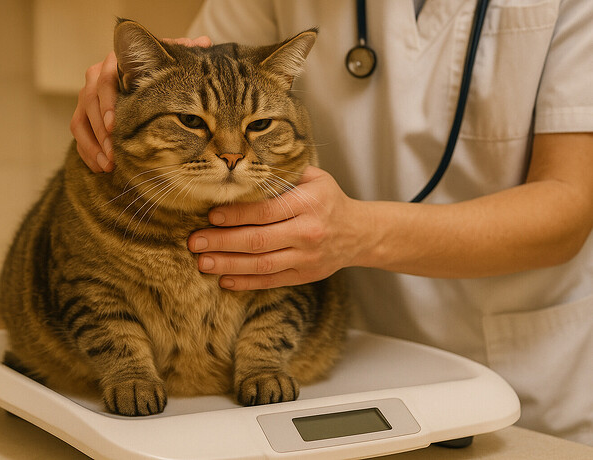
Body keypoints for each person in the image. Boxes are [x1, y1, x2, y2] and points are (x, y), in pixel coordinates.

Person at [69, 0, 593, 445]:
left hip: (528, 377)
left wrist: (357, 233)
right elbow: (214, 67)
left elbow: (568, 206)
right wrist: (136, 79)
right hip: (337, 360)